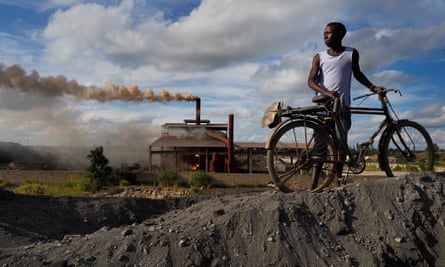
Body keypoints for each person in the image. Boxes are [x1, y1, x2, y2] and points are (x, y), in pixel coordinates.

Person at [307, 22, 383, 189]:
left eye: (329, 33)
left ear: (340, 35)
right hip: (324, 108)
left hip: (342, 107)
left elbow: (357, 73)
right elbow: (310, 81)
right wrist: (327, 93)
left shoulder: (351, 53)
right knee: (320, 146)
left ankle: (338, 181)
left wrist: (372, 87)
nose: (325, 36)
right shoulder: (319, 57)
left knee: (340, 145)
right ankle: (313, 185)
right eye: (324, 33)